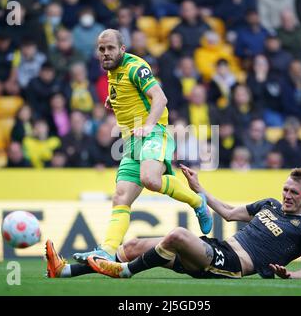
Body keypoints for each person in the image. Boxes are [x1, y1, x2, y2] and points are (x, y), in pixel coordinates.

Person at [71, 29, 212, 264]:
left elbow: (160, 98)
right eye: (101, 49)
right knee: (120, 197)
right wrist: (112, 99)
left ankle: (198, 201)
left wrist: (147, 126)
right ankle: (106, 250)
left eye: (110, 49)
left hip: (154, 132)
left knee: (150, 180)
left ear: (122, 49)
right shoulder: (112, 71)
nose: (105, 53)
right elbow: (128, 93)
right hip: (131, 141)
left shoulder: (137, 67)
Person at [45, 166, 301, 280]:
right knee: (133, 244)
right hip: (216, 249)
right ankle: (64, 271)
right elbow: (226, 211)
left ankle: (124, 272)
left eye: (293, 193)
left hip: (233, 265)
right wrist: (199, 187)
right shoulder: (269, 205)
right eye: (285, 189)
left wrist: (290, 275)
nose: (286, 196)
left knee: (177, 234)